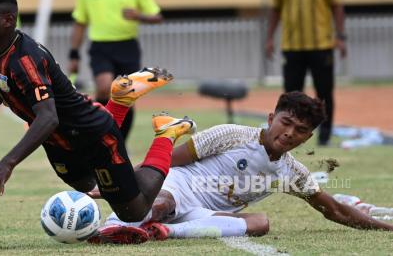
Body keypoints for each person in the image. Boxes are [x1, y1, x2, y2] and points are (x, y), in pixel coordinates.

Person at [0, 0, 195, 223]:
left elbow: (48, 118)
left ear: (7, 20)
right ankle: (121, 102)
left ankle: (166, 133)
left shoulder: (25, 62)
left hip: (94, 134)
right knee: (91, 186)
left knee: (133, 212)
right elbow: (0, 81)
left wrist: (7, 162)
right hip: (60, 142)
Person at [85, 92, 393, 244]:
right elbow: (162, 163)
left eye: (299, 130)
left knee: (260, 223)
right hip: (177, 187)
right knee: (163, 202)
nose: (289, 133)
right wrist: (125, 185)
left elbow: (335, 211)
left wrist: (386, 229)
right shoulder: (231, 134)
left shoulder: (292, 173)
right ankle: (115, 226)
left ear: (307, 138)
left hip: (201, 213)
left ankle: (161, 231)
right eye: (286, 122)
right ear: (272, 118)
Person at [68, 0, 163, 139]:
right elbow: (80, 24)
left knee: (125, 96)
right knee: (104, 88)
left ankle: (119, 141)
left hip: (127, 47)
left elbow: (157, 17)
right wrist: (74, 54)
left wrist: (138, 16)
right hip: (100, 47)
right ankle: (98, 132)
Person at [265, 0, 347, 146]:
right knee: (290, 95)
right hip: (292, 46)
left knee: (324, 92)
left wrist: (340, 36)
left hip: (321, 45)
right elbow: (275, 8)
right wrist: (269, 38)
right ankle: (285, 137)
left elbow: (337, 5)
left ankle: (324, 137)